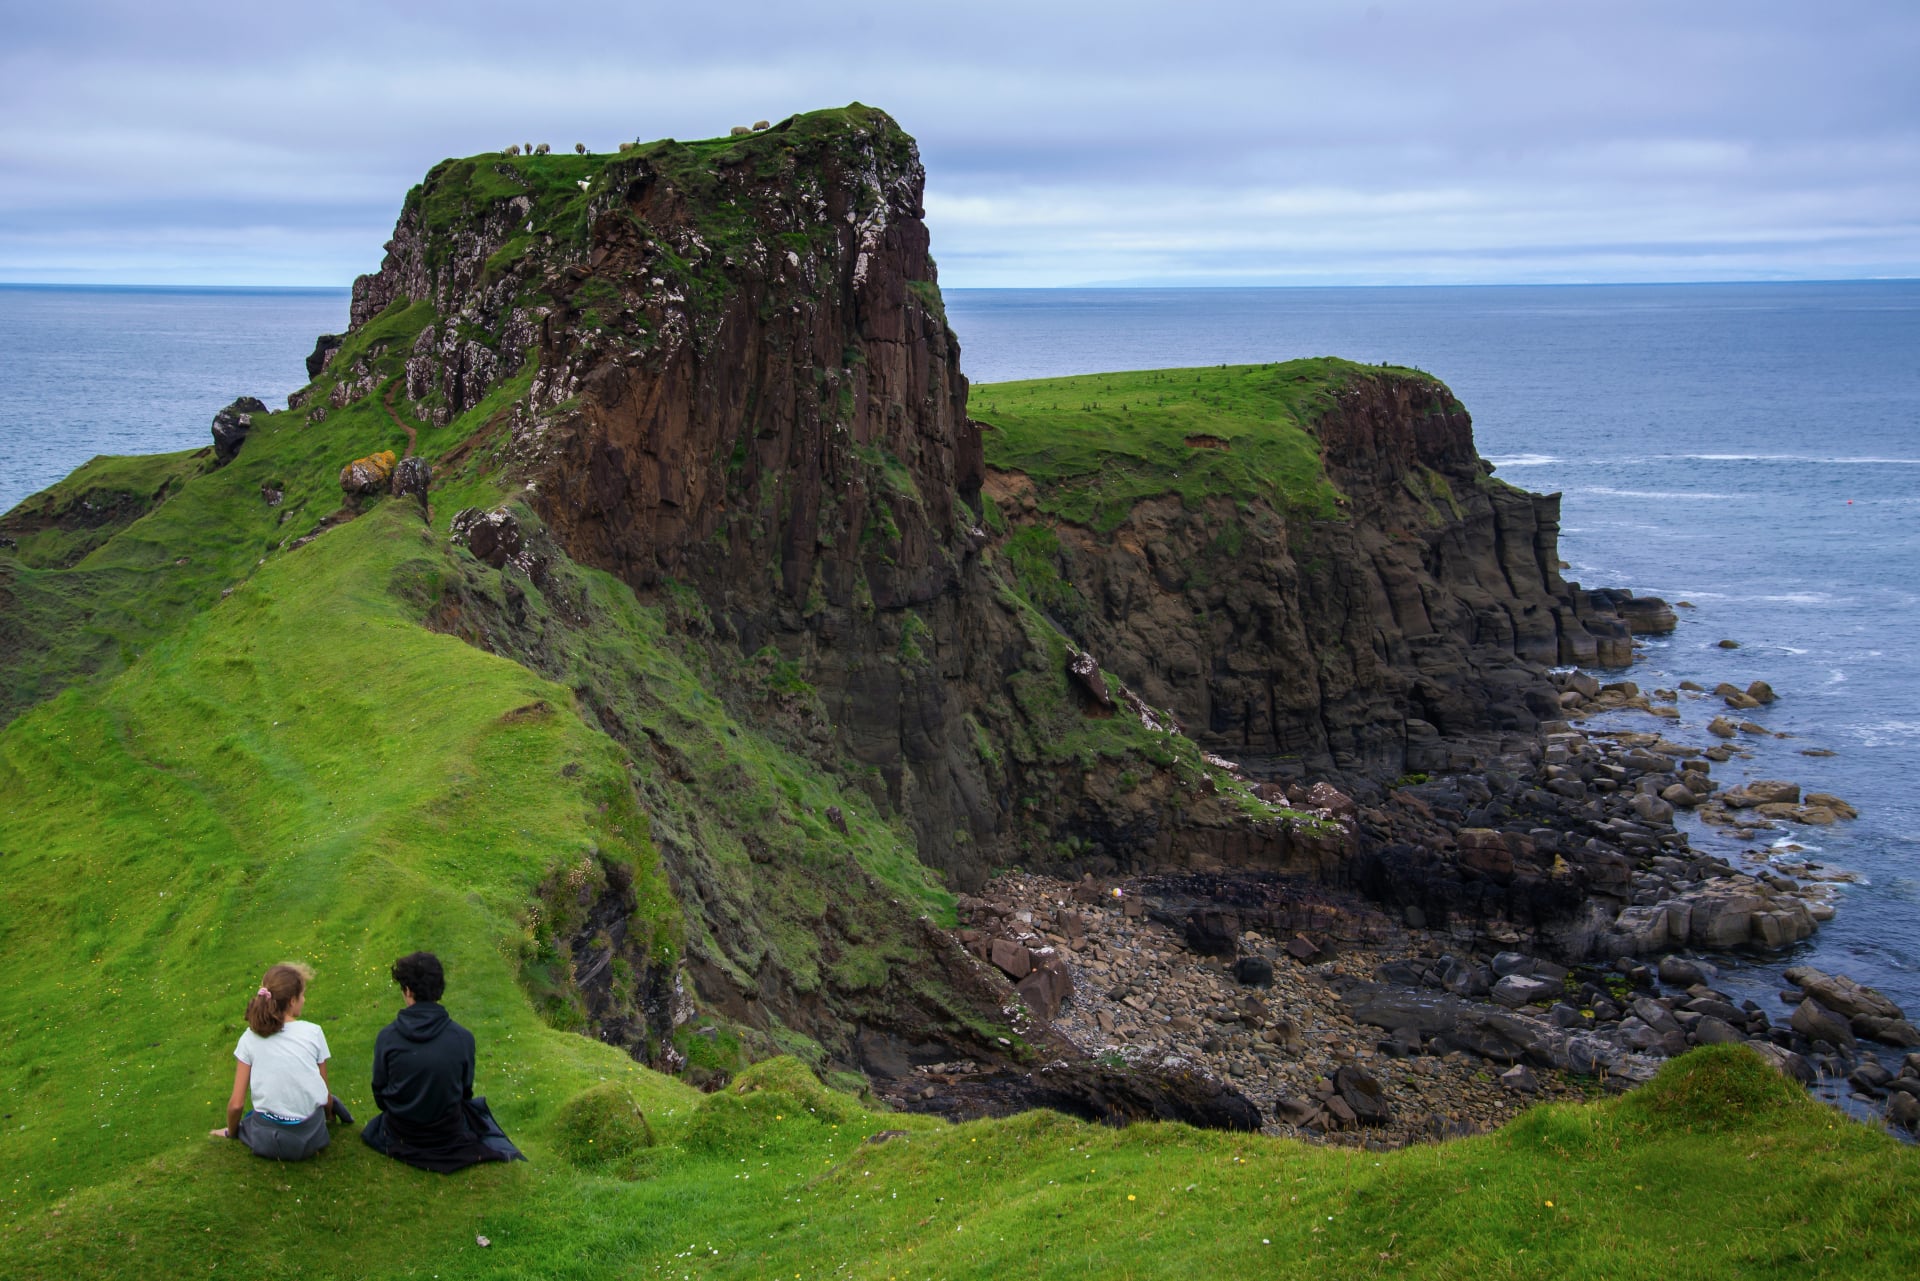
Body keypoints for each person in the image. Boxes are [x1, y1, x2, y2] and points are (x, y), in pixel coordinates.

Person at [361, 951, 523, 1172]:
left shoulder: (387, 1037)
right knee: (476, 1114)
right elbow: (465, 1092)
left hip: (401, 1132)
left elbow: (380, 1093)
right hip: (446, 1133)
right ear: (439, 989)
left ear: (407, 991)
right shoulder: (463, 1038)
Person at [209, 962, 353, 1160]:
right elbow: (325, 1095)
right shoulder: (313, 1032)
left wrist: (232, 1132)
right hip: (311, 1139)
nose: (304, 999)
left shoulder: (250, 1037)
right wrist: (329, 1116)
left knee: (253, 1118)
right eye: (302, 995)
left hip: (268, 1141)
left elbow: (236, 1105)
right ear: (292, 1001)